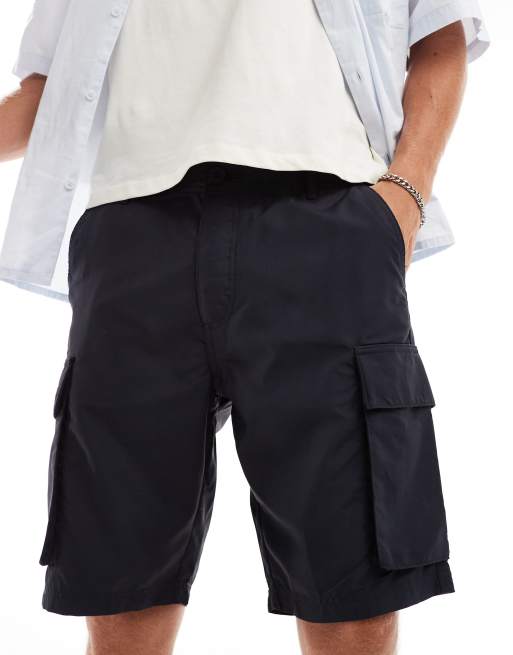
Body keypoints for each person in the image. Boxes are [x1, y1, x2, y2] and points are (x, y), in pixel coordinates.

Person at [0, 1, 489, 654]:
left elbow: (441, 34)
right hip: (134, 234)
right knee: (117, 589)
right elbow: (46, 89)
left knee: (353, 585)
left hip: (324, 220)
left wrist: (406, 191)